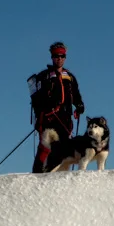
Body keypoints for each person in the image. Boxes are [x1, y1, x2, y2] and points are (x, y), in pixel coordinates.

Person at [27, 41, 84, 173]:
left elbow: (76, 95)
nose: (59, 59)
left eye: (62, 56)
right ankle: (37, 173)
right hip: (48, 118)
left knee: (64, 148)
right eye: (57, 56)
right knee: (46, 147)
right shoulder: (43, 76)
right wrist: (42, 113)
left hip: (65, 119)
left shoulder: (70, 77)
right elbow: (36, 100)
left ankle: (60, 175)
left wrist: (80, 106)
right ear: (52, 57)